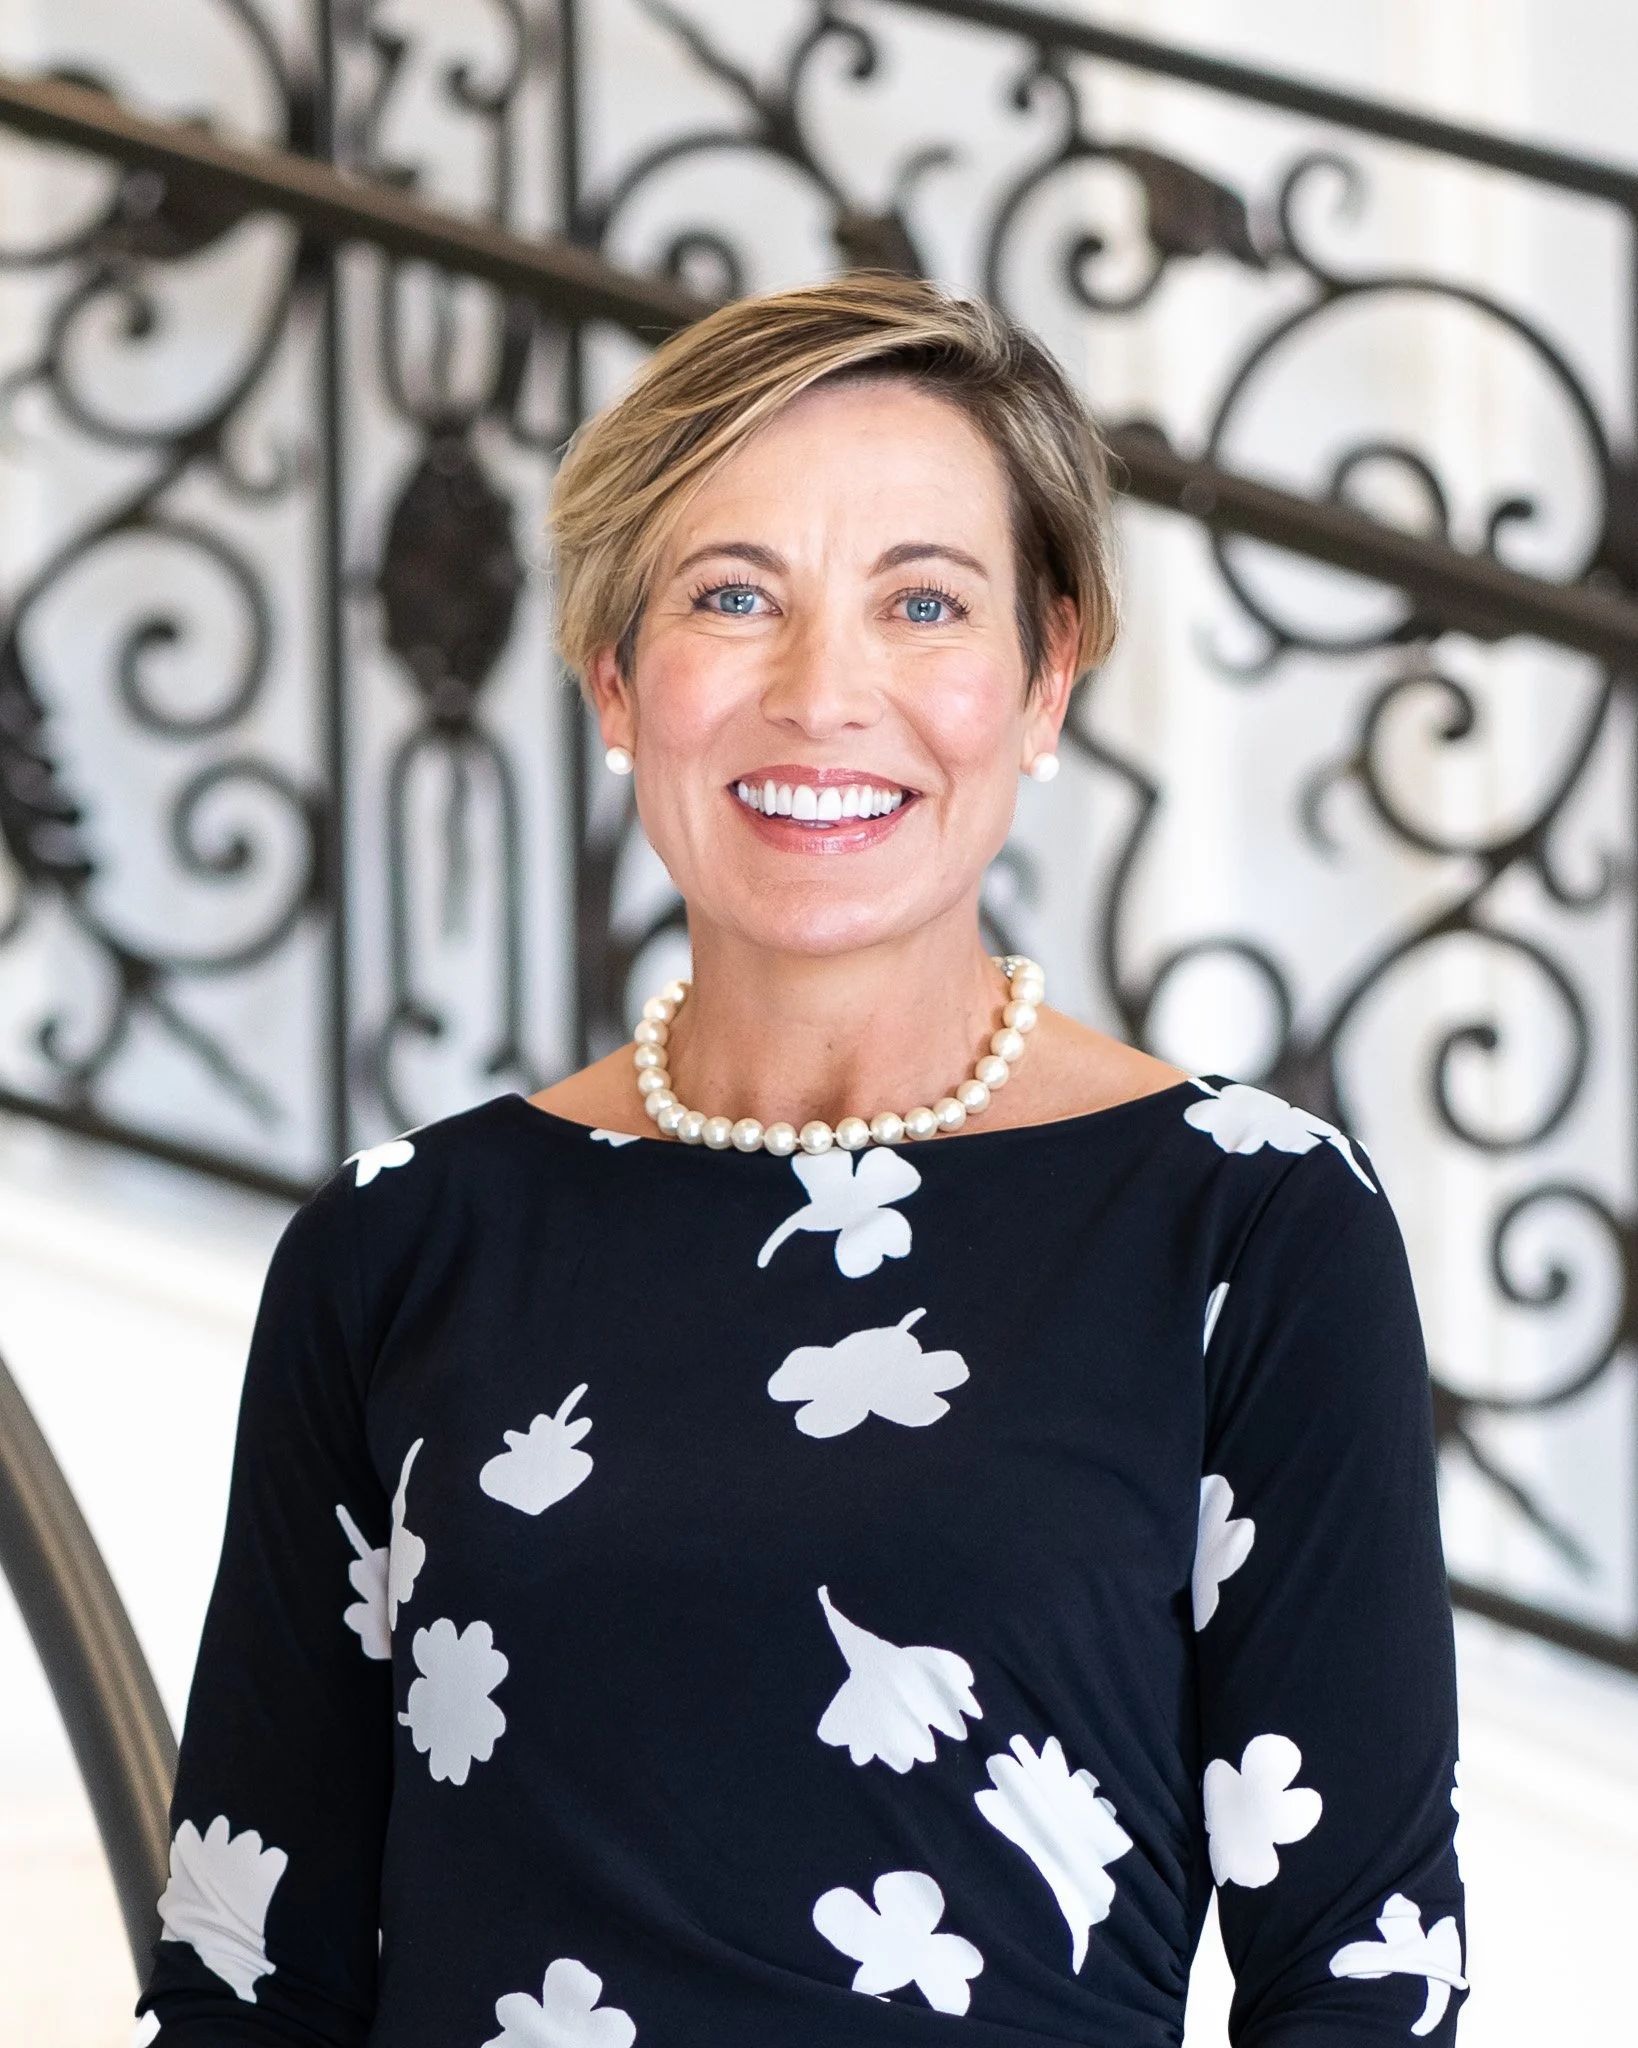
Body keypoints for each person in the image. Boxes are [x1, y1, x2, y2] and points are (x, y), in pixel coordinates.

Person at [140, 276, 1465, 2045]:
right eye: (731, 597)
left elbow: (1361, 1977)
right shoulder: (398, 1246)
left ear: (1044, 675)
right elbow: (245, 1962)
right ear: (614, 678)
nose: (823, 693)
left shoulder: (1246, 1225)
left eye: (924, 602)